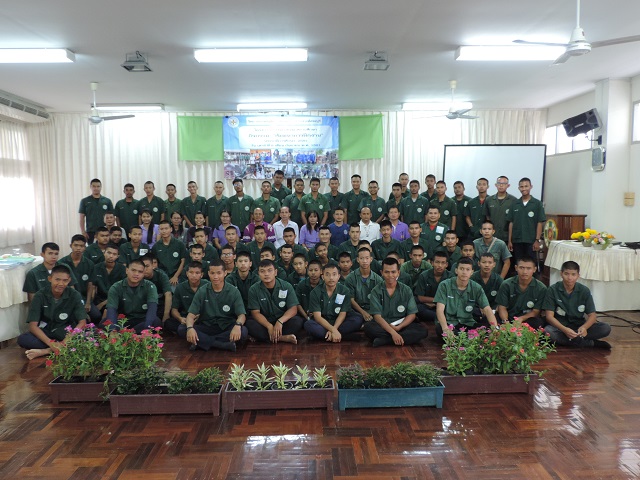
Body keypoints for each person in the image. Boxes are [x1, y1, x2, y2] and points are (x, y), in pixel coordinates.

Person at [18, 265, 87, 360]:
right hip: (47, 331)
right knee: (23, 339)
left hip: (65, 332)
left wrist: (65, 342)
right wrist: (51, 343)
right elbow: (33, 326)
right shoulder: (39, 295)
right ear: (50, 279)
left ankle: (46, 351)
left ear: (69, 280)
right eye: (57, 279)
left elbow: (82, 322)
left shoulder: (75, 295)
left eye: (65, 280)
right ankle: (61, 348)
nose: (61, 284)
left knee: (87, 337)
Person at [542, 261, 611, 349]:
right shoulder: (552, 290)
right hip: (560, 327)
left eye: (573, 274)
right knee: (548, 331)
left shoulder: (584, 291)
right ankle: (589, 343)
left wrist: (584, 328)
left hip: (579, 326)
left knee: (605, 328)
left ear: (578, 276)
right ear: (561, 274)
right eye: (566, 274)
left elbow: (593, 316)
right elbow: (549, 317)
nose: (570, 278)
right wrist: (565, 330)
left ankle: (567, 341)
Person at [181, 260, 248, 351]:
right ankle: (222, 344)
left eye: (219, 273)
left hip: (226, 326)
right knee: (182, 329)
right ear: (208, 273)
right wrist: (190, 328)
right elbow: (191, 314)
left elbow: (242, 315)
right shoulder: (202, 291)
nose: (215, 277)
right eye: (212, 273)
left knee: (243, 331)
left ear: (225, 273)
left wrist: (237, 325)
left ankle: (202, 342)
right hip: (207, 326)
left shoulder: (233, 291)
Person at [363, 258, 427, 347]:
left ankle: (385, 340)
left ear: (398, 273)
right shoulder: (376, 291)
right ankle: (397, 338)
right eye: (387, 272)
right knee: (368, 327)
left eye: (393, 272)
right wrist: (393, 332)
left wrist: (398, 328)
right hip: (383, 325)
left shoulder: (406, 290)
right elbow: (377, 317)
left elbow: (412, 314)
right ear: (382, 273)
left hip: (401, 324)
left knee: (422, 331)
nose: (390, 275)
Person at [434, 257, 498, 338]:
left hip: (468, 323)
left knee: (487, 329)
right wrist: (445, 329)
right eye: (461, 269)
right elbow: (439, 310)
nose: (464, 272)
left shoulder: (477, 288)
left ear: (472, 272)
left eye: (468, 269)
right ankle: (469, 337)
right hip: (449, 322)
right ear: (456, 270)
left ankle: (464, 337)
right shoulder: (444, 285)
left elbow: (487, 309)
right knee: (440, 329)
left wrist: (494, 328)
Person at [246, 259, 304, 344]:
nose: (266, 274)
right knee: (250, 324)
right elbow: (255, 313)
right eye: (262, 271)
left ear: (275, 272)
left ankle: (269, 338)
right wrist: (269, 326)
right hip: (265, 322)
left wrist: (280, 321)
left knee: (297, 321)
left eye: (269, 270)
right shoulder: (253, 289)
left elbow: (293, 309)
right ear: (258, 273)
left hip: (282, 321)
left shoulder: (286, 286)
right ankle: (282, 338)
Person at [305, 262, 362, 342]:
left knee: (357, 319)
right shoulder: (315, 292)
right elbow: (318, 317)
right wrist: (333, 330)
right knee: (308, 325)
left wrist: (334, 329)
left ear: (338, 276)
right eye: (327, 275)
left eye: (334, 274)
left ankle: (328, 336)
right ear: (323, 277)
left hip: (340, 322)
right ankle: (340, 336)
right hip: (323, 322)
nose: (331, 278)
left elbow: (342, 314)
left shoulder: (344, 290)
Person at [103, 259, 160, 333]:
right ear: (127, 270)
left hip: (142, 320)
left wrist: (147, 328)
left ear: (143, 274)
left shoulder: (150, 286)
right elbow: (111, 310)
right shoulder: (116, 287)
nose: (136, 274)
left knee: (156, 322)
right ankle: (130, 333)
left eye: (140, 272)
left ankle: (127, 333)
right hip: (123, 321)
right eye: (133, 270)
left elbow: (152, 309)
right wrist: (113, 330)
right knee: (105, 324)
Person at [496, 256, 547, 329]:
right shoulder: (506, 284)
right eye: (521, 268)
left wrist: (521, 319)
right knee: (493, 320)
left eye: (528, 268)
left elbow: (536, 311)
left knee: (537, 322)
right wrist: (506, 322)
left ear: (534, 269)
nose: (525, 272)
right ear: (516, 268)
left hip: (526, 319)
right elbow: (502, 307)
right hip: (508, 317)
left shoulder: (541, 288)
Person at [507, 177, 546, 264]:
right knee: (519, 263)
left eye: (526, 186)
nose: (524, 189)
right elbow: (511, 223)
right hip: (517, 240)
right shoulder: (514, 204)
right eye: (521, 187)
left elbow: (539, 223)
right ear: (519, 188)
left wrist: (537, 240)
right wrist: (509, 241)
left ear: (531, 187)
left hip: (531, 241)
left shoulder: (537, 204)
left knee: (531, 263)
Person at [166, 261, 209, 334]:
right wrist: (180, 319)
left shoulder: (208, 286)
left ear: (201, 275)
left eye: (197, 273)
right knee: (168, 323)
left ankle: (189, 332)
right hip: (185, 318)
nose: (194, 275)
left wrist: (201, 315)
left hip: (203, 318)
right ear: (187, 274)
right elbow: (174, 309)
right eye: (191, 272)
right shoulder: (180, 287)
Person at [58, 234, 95, 318]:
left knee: (96, 315)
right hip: (66, 298)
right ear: (71, 246)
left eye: (81, 246)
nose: (78, 248)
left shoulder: (89, 264)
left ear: (85, 247)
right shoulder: (61, 263)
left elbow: (90, 285)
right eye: (76, 245)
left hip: (84, 298)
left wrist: (88, 302)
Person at [345, 247, 384, 323]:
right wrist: (363, 313)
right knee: (355, 321)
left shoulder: (378, 279)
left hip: (373, 311)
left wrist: (372, 313)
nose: (364, 261)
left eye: (367, 258)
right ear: (357, 260)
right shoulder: (350, 278)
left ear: (371, 259)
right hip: (355, 311)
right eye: (362, 258)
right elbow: (350, 299)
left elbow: (379, 300)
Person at [88, 243, 126, 319]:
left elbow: (122, 291)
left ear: (117, 256)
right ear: (104, 253)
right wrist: (89, 303)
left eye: (114, 254)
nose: (111, 256)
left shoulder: (122, 269)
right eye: (109, 253)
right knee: (94, 315)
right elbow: (93, 286)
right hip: (99, 299)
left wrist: (102, 304)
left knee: (108, 313)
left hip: (116, 300)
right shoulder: (96, 267)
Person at [415, 251, 452, 322]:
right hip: (427, 306)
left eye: (443, 263)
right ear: (432, 263)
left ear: (446, 264)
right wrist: (436, 301)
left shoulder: (451, 277)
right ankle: (441, 319)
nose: (440, 265)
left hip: (444, 306)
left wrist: (437, 303)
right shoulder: (424, 275)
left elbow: (451, 297)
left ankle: (439, 319)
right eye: (437, 262)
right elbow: (420, 297)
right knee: (418, 308)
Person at [151, 220, 187, 286]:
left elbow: (183, 261)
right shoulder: (156, 246)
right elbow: (154, 263)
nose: (164, 231)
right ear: (159, 230)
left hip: (177, 277)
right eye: (162, 229)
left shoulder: (179, 244)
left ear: (171, 229)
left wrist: (175, 276)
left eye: (166, 228)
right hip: (161, 277)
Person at [78, 178, 113, 243]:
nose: (96, 188)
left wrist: (111, 230)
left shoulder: (107, 201)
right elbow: (81, 218)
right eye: (94, 186)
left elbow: (112, 217)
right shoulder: (84, 201)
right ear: (90, 187)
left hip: (105, 231)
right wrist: (83, 232)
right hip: (91, 231)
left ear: (101, 187)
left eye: (98, 186)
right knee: (92, 248)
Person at [485, 176, 517, 243]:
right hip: (492, 236)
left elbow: (514, 220)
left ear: (508, 185)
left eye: (504, 183)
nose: (501, 185)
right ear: (496, 185)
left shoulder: (513, 200)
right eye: (499, 183)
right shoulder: (489, 200)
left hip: (507, 236)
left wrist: (510, 239)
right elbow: (487, 216)